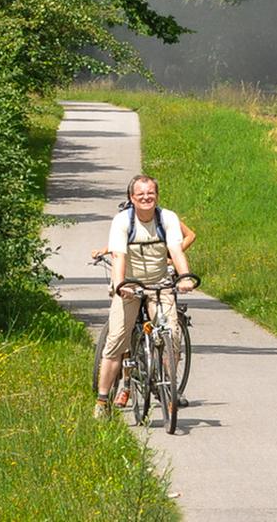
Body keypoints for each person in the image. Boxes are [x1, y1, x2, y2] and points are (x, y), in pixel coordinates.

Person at [94, 173, 195, 418]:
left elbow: (176, 251)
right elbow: (119, 256)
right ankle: (102, 401)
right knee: (117, 339)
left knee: (171, 334)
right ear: (132, 198)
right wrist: (121, 285)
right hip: (130, 284)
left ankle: (168, 388)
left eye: (150, 193)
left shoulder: (167, 218)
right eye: (140, 194)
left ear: (157, 196)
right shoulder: (122, 221)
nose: (146, 197)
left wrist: (185, 277)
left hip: (160, 284)